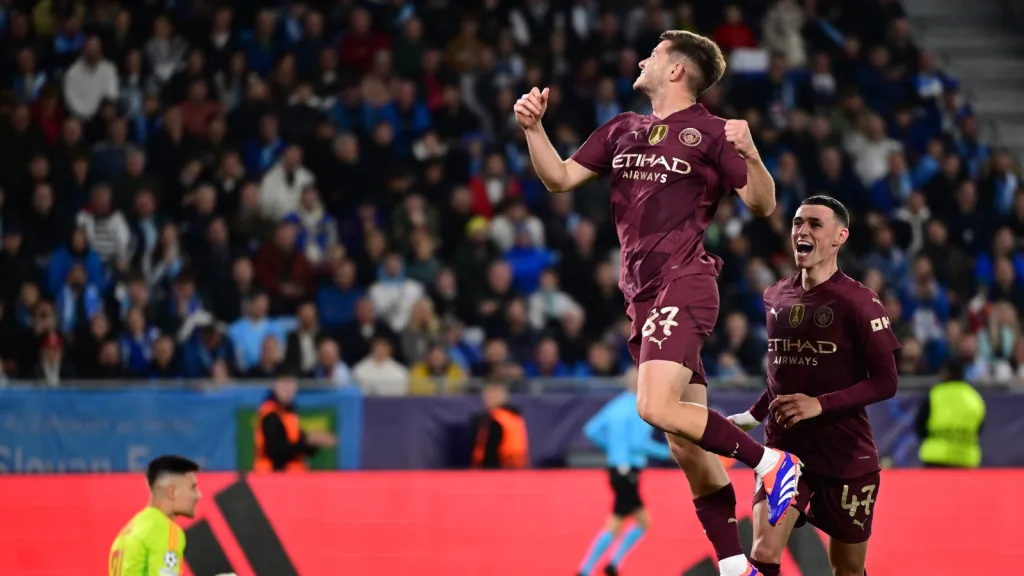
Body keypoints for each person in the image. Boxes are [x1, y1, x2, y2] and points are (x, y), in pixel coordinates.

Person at [514, 29, 799, 576]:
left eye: (653, 54)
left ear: (675, 71)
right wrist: (534, 130)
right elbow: (560, 178)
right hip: (641, 296)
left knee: (652, 407)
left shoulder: (713, 133)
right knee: (683, 443)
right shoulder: (622, 128)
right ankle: (736, 565)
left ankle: (773, 463)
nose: (641, 59)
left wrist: (753, 153)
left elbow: (762, 205)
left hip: (684, 281)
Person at [727, 196, 900, 576]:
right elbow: (783, 377)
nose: (802, 231)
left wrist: (819, 404)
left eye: (815, 224)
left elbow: (887, 381)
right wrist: (751, 416)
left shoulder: (860, 302)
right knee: (763, 549)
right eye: (797, 223)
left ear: (841, 236)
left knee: (847, 568)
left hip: (844, 457)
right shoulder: (774, 296)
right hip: (785, 453)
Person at [577, 367, 670, 576]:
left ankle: (607, 565)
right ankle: (589, 568)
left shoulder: (616, 405)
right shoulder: (640, 407)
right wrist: (667, 453)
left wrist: (611, 449)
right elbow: (639, 443)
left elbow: (591, 430)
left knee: (632, 521)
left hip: (616, 469)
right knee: (628, 522)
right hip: (629, 471)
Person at [108, 455, 206, 576]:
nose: (198, 495)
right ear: (172, 492)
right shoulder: (167, 531)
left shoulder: (128, 531)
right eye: (193, 488)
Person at [253, 375, 337, 472]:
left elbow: (297, 444)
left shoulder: (290, 413)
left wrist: (314, 442)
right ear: (275, 386)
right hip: (273, 476)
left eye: (291, 385)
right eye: (284, 384)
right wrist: (308, 443)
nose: (288, 390)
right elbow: (277, 451)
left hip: (293, 475)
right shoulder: (270, 415)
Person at [915, 359, 985, 468]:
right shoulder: (975, 398)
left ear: (946, 373)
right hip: (966, 460)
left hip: (936, 459)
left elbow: (920, 425)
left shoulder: (935, 394)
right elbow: (979, 428)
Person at [469, 380, 529, 469]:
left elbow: (489, 451)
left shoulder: (496, 419)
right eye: (487, 394)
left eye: (493, 394)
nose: (489, 398)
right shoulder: (515, 416)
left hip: (497, 470)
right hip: (516, 468)